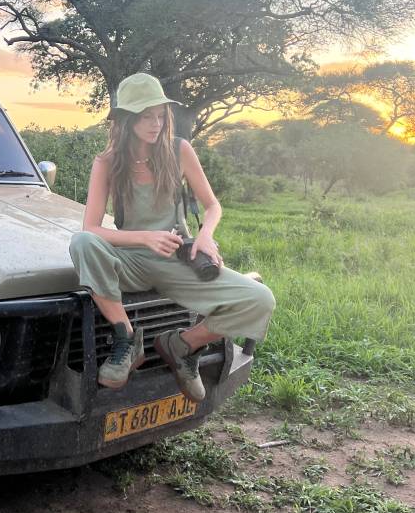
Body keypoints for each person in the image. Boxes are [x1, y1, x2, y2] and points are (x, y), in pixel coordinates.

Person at [68, 73, 276, 402]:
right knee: (82, 244)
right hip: (131, 260)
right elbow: (91, 229)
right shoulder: (107, 162)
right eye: (146, 116)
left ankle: (182, 345)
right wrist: (145, 237)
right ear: (126, 119)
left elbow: (212, 206)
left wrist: (206, 235)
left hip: (176, 260)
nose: (156, 123)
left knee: (261, 299)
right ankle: (126, 339)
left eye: (160, 115)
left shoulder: (179, 150)